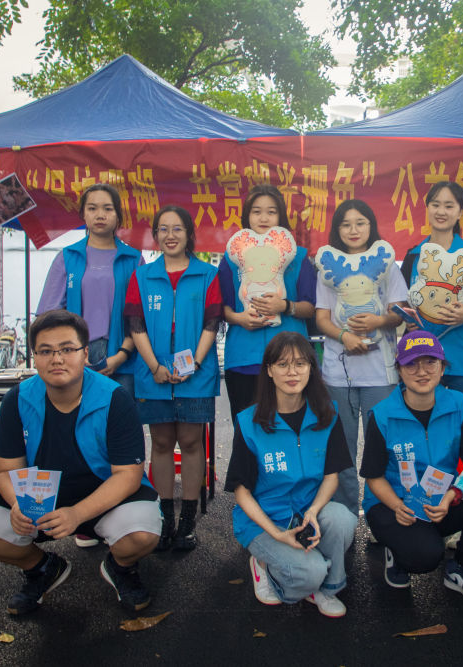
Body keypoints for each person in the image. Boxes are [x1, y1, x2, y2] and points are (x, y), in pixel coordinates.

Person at [0, 309, 160, 614]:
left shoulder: (114, 398)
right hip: (38, 500)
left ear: (85, 354)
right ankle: (41, 568)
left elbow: (128, 475)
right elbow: (7, 470)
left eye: (67, 349)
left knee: (143, 533)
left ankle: (121, 567)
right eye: (46, 351)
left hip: (102, 496)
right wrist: (18, 504)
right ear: (34, 357)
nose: (57, 359)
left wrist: (76, 514)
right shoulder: (17, 399)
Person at [360, 330, 463, 602]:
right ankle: (397, 551)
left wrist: (453, 495)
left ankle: (460, 567)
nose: (422, 371)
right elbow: (373, 477)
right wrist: (397, 506)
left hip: (441, 499)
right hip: (394, 504)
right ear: (399, 370)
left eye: (430, 362)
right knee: (424, 557)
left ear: (442, 368)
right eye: (411, 364)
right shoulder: (382, 415)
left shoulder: (458, 404)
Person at [36, 183, 144, 549]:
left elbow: (140, 316)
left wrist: (121, 355)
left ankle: (115, 512)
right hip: (74, 360)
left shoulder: (133, 259)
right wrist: (69, 355)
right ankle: (83, 520)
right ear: (83, 214)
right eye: (93, 208)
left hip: (122, 357)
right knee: (80, 435)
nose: (100, 215)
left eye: (108, 208)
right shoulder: (67, 257)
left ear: (118, 215)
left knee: (118, 438)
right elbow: (47, 315)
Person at [224, 332, 357, 618]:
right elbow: (241, 492)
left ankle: (327, 588)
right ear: (269, 371)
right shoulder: (249, 422)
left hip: (306, 512)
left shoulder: (327, 414)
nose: (292, 372)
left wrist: (314, 510)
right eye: (282, 364)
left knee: (342, 518)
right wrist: (276, 534)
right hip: (266, 520)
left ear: (311, 368)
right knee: (309, 573)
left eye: (300, 363)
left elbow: (331, 476)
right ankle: (264, 567)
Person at [125, 205, 221, 551]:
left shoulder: (207, 274)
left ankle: (188, 522)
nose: (170, 235)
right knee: (162, 443)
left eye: (177, 228)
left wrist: (194, 363)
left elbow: (212, 322)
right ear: (155, 235)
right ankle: (165, 518)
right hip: (154, 374)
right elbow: (135, 324)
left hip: (196, 373)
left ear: (189, 234)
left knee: (192, 443)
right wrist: (154, 366)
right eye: (163, 229)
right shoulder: (142, 276)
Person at [314, 199, 408, 512]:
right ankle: (345, 517)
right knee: (341, 449)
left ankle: (384, 513)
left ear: (371, 226)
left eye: (360, 223)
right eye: (346, 224)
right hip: (337, 374)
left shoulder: (387, 265)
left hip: (380, 373)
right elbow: (322, 318)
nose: (353, 230)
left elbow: (400, 311)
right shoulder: (328, 268)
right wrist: (345, 336)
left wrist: (378, 321)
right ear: (337, 229)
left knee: (384, 447)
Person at [219, 184, 317, 423]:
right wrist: (239, 318)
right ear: (247, 216)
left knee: (289, 427)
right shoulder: (232, 257)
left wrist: (285, 306)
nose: (263, 218)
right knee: (246, 429)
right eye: (256, 211)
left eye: (271, 212)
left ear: (281, 216)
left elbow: (311, 307)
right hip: (244, 359)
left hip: (291, 361)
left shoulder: (298, 256)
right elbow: (222, 307)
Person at [400, 181, 463, 431]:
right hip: (422, 357)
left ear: (460, 212)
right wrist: (408, 319)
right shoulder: (413, 256)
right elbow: (402, 304)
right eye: (436, 204)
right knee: (424, 427)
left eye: (449, 206)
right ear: (427, 208)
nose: (441, 211)